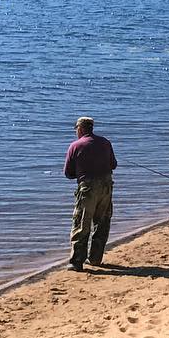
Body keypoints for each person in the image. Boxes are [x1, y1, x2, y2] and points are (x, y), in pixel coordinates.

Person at [64, 115, 117, 271]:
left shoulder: (75, 146)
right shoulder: (105, 143)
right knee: (102, 222)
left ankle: (76, 261)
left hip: (87, 188)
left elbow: (68, 173)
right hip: (106, 186)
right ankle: (95, 258)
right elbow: (113, 165)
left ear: (80, 129)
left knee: (81, 222)